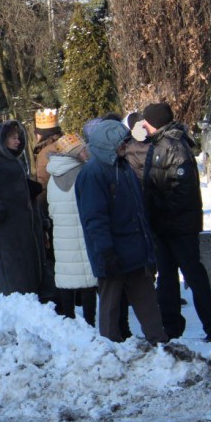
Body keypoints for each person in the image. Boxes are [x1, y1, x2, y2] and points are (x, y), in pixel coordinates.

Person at [75, 120, 168, 344]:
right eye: (121, 143)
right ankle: (108, 348)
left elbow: (137, 209)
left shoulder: (123, 167)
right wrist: (106, 251)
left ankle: (159, 342)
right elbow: (95, 218)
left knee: (146, 299)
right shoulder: (94, 173)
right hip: (112, 252)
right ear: (107, 145)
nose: (125, 147)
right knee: (110, 305)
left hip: (134, 250)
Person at [139, 102, 211, 342]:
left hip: (179, 227)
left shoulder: (174, 146)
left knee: (193, 276)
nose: (143, 126)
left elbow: (181, 189)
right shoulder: (159, 144)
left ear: (154, 122)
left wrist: (160, 211)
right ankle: (171, 327)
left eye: (145, 122)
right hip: (164, 226)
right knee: (167, 279)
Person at [0, 120, 50, 298]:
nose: (18, 141)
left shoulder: (16, 162)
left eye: (18, 137)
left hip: (27, 231)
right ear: (2, 140)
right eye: (13, 138)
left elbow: (19, 191)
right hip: (9, 234)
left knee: (31, 277)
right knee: (15, 282)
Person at [46, 134, 97, 325]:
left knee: (66, 277)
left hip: (62, 236)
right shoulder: (84, 173)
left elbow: (51, 209)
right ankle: (90, 322)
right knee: (88, 281)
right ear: (75, 153)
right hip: (84, 234)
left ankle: (68, 319)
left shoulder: (53, 178)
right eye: (82, 149)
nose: (86, 152)